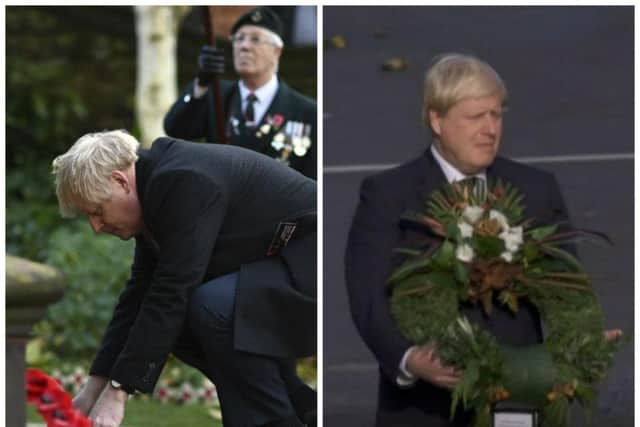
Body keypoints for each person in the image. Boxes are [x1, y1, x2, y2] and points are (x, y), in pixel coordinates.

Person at [344, 53, 622, 426]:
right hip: (423, 409)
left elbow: (565, 282)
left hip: (519, 397)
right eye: (476, 116)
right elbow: (368, 296)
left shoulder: (536, 189)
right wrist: (409, 358)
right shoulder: (388, 195)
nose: (490, 129)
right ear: (437, 120)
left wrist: (581, 340)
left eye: (496, 114)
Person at [52, 130, 317, 427]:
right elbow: (139, 297)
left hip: (318, 265)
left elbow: (173, 289)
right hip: (280, 272)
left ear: (120, 181)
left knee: (210, 307)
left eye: (97, 211)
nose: (96, 227)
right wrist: (93, 389)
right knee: (183, 321)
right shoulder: (156, 189)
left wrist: (118, 392)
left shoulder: (183, 181)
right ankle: (303, 409)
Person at [164, 6, 317, 180]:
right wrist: (200, 84)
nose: (244, 46)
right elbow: (176, 129)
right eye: (239, 39)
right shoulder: (215, 94)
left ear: (277, 51)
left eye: (255, 39)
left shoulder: (307, 111)